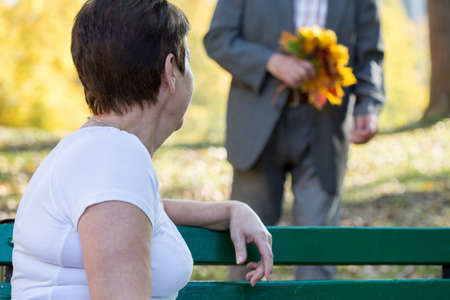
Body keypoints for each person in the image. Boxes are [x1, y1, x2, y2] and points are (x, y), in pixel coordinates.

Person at [11, 0, 273, 299]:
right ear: (169, 73)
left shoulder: (97, 152)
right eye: (187, 64)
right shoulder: (115, 157)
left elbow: (135, 212)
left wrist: (230, 210)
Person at [204, 0, 385, 280]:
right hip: (256, 128)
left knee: (318, 253)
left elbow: (370, 53)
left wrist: (368, 105)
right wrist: (271, 62)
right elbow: (218, 39)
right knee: (246, 254)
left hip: (326, 127)